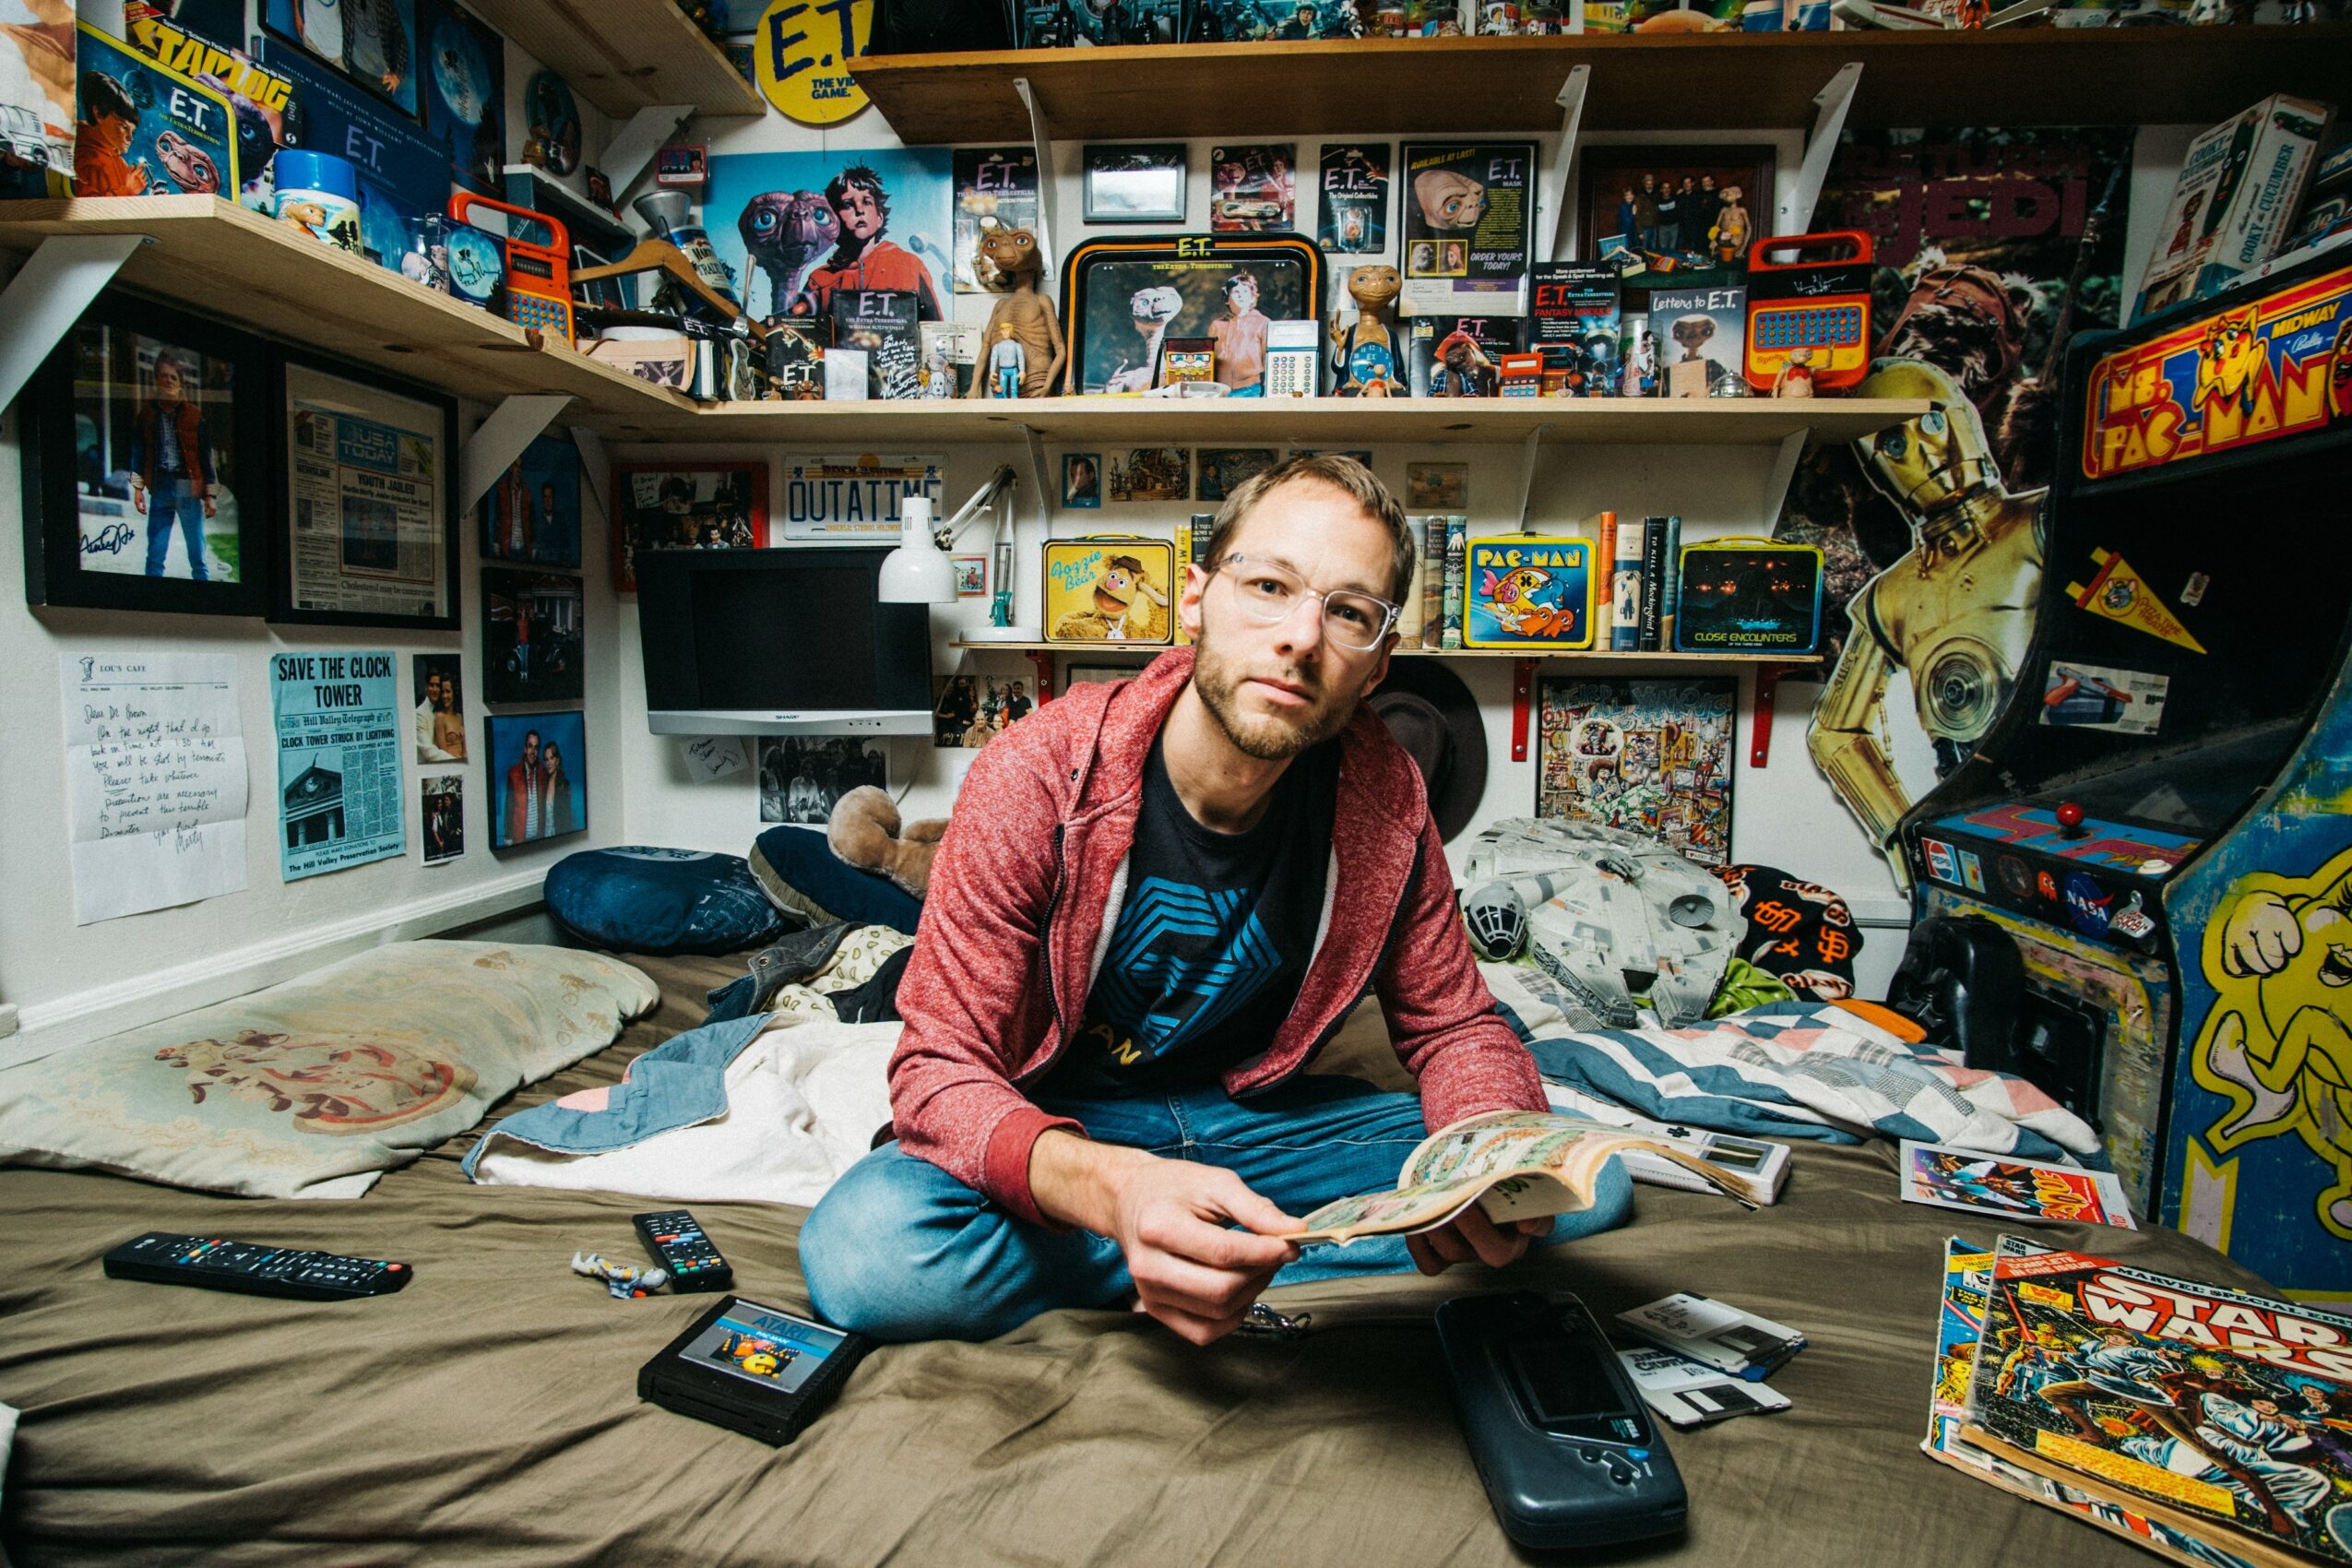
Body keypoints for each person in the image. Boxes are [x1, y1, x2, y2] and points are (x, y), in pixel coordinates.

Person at [801, 455, 1621, 1346]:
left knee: (1578, 1183)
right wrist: (1116, 1192)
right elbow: (938, 1070)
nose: (1302, 637)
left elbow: (1454, 1023)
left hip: (1262, 1125)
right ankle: (1198, 1246)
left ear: (1377, 664)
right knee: (868, 1254)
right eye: (1270, 584)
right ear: (1195, 599)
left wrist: (1482, 1161)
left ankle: (1197, 1254)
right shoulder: (1035, 774)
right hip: (1072, 1123)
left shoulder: (1389, 801)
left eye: (1348, 613)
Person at [799, 166, 944, 324]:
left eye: (867, 202)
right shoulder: (820, 280)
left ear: (879, 218)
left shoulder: (910, 266)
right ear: (834, 220)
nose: (859, 209)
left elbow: (935, 333)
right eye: (848, 204)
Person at [131, 352, 216, 580]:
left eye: (173, 377)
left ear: (180, 383)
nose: (168, 380)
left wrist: (211, 495)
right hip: (160, 485)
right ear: (157, 381)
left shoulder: (195, 415)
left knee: (196, 551)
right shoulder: (147, 414)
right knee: (155, 552)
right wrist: (138, 489)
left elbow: (207, 458)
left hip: (186, 485)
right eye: (163, 376)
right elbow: (138, 454)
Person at [1209, 270, 1270, 396]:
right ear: (1227, 299)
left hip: (1250, 388)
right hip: (1220, 389)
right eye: (1236, 292)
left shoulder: (1262, 322)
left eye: (1245, 292)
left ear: (1253, 297)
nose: (1241, 296)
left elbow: (1268, 359)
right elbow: (1210, 359)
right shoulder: (1217, 325)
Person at [502, 729, 542, 845]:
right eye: (530, 746)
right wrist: (508, 837)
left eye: (536, 747)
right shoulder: (513, 774)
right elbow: (509, 807)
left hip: (538, 839)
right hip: (520, 839)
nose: (533, 751)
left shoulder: (542, 773)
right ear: (525, 749)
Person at [540, 739, 576, 838]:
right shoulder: (542, 784)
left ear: (557, 761)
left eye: (551, 758)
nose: (549, 762)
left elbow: (566, 818)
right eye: (546, 759)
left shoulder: (565, 785)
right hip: (543, 838)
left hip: (559, 838)